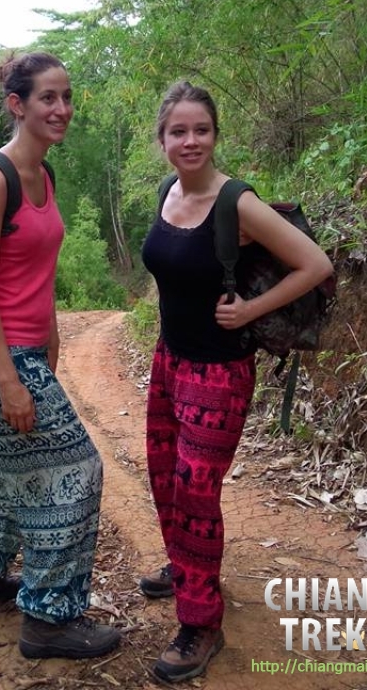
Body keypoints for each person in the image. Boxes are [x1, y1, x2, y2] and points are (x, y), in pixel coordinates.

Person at [138, 81, 334, 683]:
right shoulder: (169, 193)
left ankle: (201, 623)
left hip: (220, 371)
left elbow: (316, 264)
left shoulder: (237, 203)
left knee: (195, 488)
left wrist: (250, 310)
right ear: (163, 139)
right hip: (170, 361)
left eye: (201, 130)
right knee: (164, 474)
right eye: (178, 131)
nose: (190, 141)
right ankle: (186, 567)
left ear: (215, 135)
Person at [0, 51, 121, 661]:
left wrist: (51, 335)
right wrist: (9, 378)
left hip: (27, 348)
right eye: (48, 97)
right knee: (77, 469)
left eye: (66, 96)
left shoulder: (44, 175)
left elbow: (36, 272)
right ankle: (49, 619)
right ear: (17, 105)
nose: (62, 108)